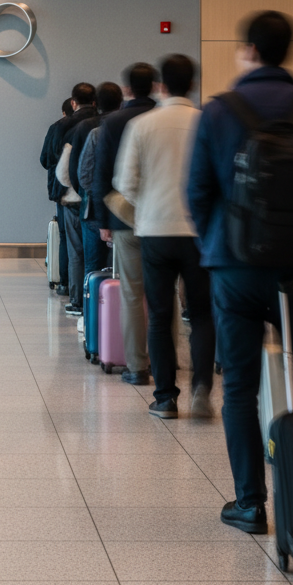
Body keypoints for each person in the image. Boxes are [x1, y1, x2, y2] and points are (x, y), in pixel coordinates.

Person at [187, 11, 293, 535]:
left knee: (239, 388)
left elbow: (198, 193)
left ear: (249, 50)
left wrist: (221, 246)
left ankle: (250, 504)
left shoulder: (218, 112)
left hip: (234, 270)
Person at [115, 55, 214, 419]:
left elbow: (125, 183)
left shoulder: (143, 124)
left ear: (161, 86)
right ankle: (201, 387)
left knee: (159, 315)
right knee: (202, 314)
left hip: (155, 230)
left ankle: (166, 397)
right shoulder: (207, 124)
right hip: (199, 234)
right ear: (192, 84)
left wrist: (148, 205)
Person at [92, 63, 157, 383]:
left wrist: (104, 220)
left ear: (127, 90)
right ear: (156, 86)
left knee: (132, 293)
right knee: (164, 293)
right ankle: (164, 362)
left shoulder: (115, 121)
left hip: (124, 218)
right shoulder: (161, 120)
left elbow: (101, 176)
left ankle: (137, 365)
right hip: (163, 218)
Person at [56, 83, 100, 314]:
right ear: (95, 102)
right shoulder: (111, 125)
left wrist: (79, 189)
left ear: (73, 102)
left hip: (75, 198)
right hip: (108, 201)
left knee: (77, 252)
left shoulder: (69, 127)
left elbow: (63, 168)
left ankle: (79, 300)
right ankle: (104, 303)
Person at [74, 82, 123, 280]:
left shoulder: (93, 131)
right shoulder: (131, 127)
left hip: (94, 209)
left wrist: (94, 193)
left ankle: (92, 309)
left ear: (97, 104)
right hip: (124, 210)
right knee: (120, 269)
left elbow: (83, 173)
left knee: (93, 267)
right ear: (120, 103)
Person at [40, 97, 78, 296]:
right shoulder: (94, 124)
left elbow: (44, 159)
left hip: (62, 190)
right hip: (87, 192)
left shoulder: (57, 127)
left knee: (65, 237)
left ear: (65, 111)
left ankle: (65, 283)